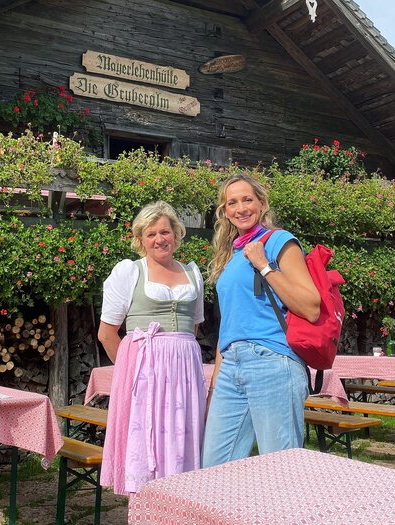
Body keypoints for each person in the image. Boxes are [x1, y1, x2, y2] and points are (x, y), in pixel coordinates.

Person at [202, 173, 321, 468]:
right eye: (232, 202)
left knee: (279, 470)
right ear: (225, 211)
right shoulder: (230, 255)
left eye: (247, 199)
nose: (240, 208)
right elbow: (230, 323)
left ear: (261, 202)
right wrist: (216, 380)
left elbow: (311, 306)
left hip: (272, 360)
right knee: (215, 469)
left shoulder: (279, 240)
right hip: (231, 367)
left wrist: (264, 266)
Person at [97, 201, 206, 496]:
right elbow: (107, 333)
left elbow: (192, 329)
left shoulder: (193, 274)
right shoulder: (129, 272)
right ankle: (146, 508)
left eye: (165, 232)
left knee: (184, 436)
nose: (159, 239)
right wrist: (132, 372)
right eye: (151, 234)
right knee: (148, 445)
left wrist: (174, 355)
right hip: (145, 373)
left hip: (185, 371)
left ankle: (183, 506)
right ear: (140, 239)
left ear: (176, 234)